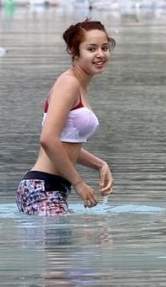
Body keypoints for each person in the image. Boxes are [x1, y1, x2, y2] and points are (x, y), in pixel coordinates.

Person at [16, 20, 115, 215]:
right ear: (74, 50)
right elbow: (48, 139)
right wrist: (79, 183)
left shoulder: (79, 86)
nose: (100, 55)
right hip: (42, 188)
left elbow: (65, 144)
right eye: (91, 49)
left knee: (72, 245)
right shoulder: (68, 83)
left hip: (49, 187)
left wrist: (100, 164)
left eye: (105, 48)